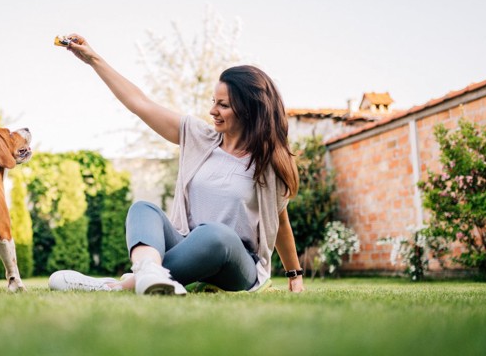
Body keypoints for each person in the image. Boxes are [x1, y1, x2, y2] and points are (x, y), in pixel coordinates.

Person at [48, 33, 304, 295]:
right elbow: (140, 103)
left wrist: (294, 275)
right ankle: (148, 272)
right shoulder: (200, 137)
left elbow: (280, 221)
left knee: (216, 235)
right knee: (143, 208)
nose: (213, 111)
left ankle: (122, 284)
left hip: (237, 265)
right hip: (185, 248)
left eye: (223, 105)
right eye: (213, 102)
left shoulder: (269, 163)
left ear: (249, 109)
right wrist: (93, 59)